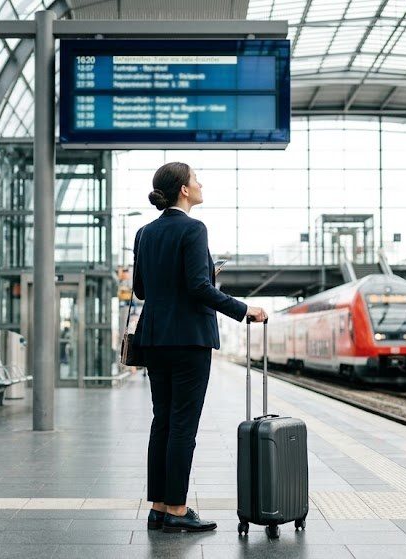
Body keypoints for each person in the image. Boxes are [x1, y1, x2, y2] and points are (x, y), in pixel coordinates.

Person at [132, 162, 267, 534]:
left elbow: (142, 289)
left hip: (155, 340)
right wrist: (244, 310)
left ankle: (158, 506)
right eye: (196, 179)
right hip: (189, 339)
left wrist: (198, 276)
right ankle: (176, 507)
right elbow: (197, 288)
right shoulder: (194, 229)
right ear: (184, 191)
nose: (201, 183)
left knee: (162, 420)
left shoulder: (144, 232)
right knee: (182, 426)